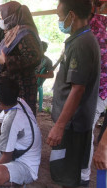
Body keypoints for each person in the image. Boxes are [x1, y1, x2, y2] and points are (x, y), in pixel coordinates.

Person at [47, 0, 100, 187]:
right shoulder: (80, 39)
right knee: (65, 171)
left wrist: (59, 126)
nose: (59, 21)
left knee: (71, 174)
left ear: (72, 15)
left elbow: (78, 90)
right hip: (71, 122)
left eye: (60, 17)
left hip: (73, 124)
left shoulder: (81, 44)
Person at [0, 1, 42, 117]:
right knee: (6, 120)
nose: (1, 20)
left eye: (3, 17)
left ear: (13, 16)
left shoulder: (25, 33)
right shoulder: (15, 31)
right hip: (11, 85)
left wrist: (6, 61)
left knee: (17, 119)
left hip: (20, 88)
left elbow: (33, 57)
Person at [81, 4, 107, 185]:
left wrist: (104, 144)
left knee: (86, 130)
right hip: (97, 90)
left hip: (98, 90)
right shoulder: (97, 24)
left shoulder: (94, 27)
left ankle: (83, 175)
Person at [36, 41, 54, 112]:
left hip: (36, 83)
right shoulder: (31, 57)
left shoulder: (47, 61)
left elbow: (51, 75)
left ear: (45, 50)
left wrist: (38, 75)